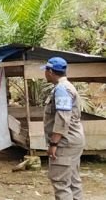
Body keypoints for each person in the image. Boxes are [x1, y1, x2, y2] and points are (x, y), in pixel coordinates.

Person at [42, 57, 85, 199]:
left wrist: (54, 143)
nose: (45, 74)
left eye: (45, 71)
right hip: (74, 139)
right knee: (73, 180)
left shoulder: (61, 89)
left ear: (50, 71)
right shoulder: (68, 86)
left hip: (65, 142)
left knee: (61, 182)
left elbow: (62, 118)